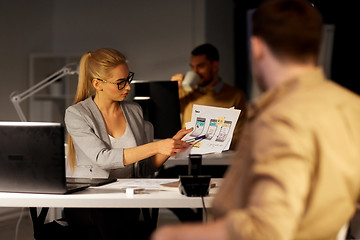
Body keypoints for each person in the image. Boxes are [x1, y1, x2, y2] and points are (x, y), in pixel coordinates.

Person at [151, 0, 360, 239]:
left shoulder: (280, 117)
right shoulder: (353, 107)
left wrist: (174, 236)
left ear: (257, 47)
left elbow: (270, 228)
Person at [63, 47, 192, 240]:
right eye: (120, 83)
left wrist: (170, 146)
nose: (128, 87)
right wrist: (156, 146)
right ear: (97, 84)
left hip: (125, 201)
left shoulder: (134, 111)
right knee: (115, 221)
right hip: (91, 203)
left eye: (128, 79)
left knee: (126, 221)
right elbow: (103, 158)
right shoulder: (77, 114)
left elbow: (144, 168)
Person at [171, 43, 247, 150]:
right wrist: (171, 90)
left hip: (220, 159)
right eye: (192, 67)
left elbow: (238, 138)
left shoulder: (235, 95)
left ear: (215, 66)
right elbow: (163, 117)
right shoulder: (186, 92)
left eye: (200, 66)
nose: (195, 72)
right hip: (187, 157)